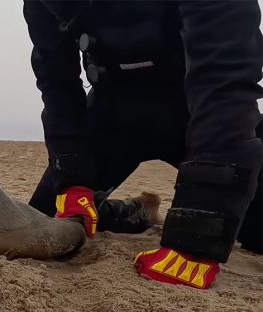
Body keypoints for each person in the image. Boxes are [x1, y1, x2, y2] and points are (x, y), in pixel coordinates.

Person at [22, 0, 263, 289]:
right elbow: (56, 81)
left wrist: (196, 237)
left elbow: (226, 80)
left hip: (202, 113)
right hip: (113, 115)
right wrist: (71, 178)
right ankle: (134, 213)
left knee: (255, 233)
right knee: (44, 223)